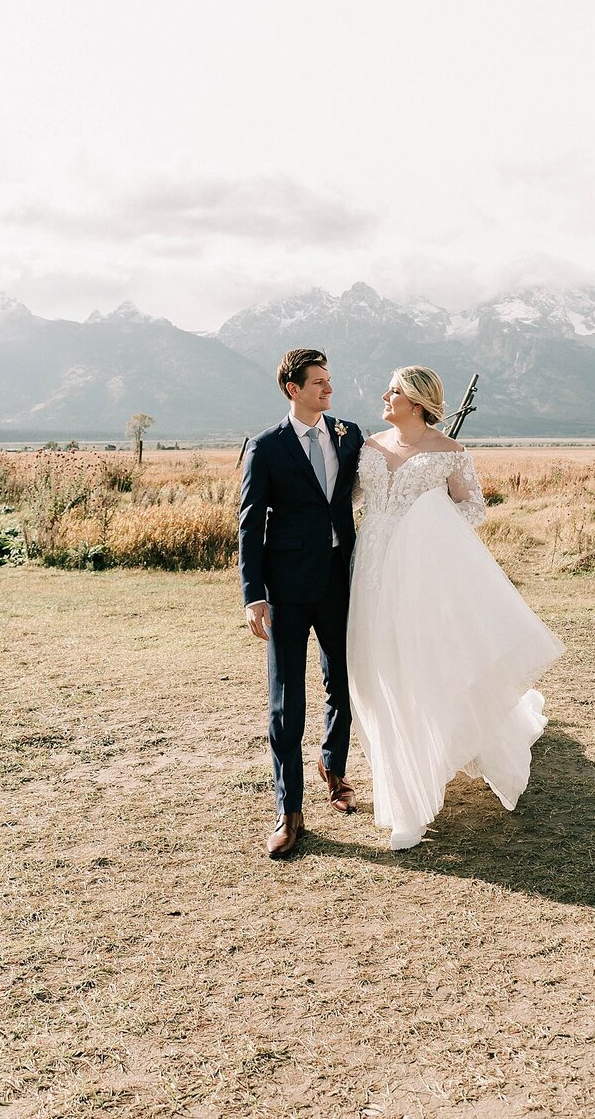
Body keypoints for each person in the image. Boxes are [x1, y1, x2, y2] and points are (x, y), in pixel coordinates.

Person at [348, 365, 563, 850]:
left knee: (427, 664)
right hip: (373, 570)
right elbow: (348, 500)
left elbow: (474, 509)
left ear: (418, 402)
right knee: (379, 668)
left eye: (395, 391)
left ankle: (412, 801)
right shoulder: (368, 448)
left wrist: (428, 519)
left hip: (425, 577)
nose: (385, 396)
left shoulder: (450, 454)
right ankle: (402, 770)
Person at [238, 348, 364, 860]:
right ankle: (289, 812)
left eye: (330, 381)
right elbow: (249, 524)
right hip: (286, 591)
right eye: (317, 383)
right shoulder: (265, 447)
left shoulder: (349, 435)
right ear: (293, 388)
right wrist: (254, 596)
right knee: (287, 701)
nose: (327, 390)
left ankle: (333, 767)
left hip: (341, 582)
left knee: (344, 682)